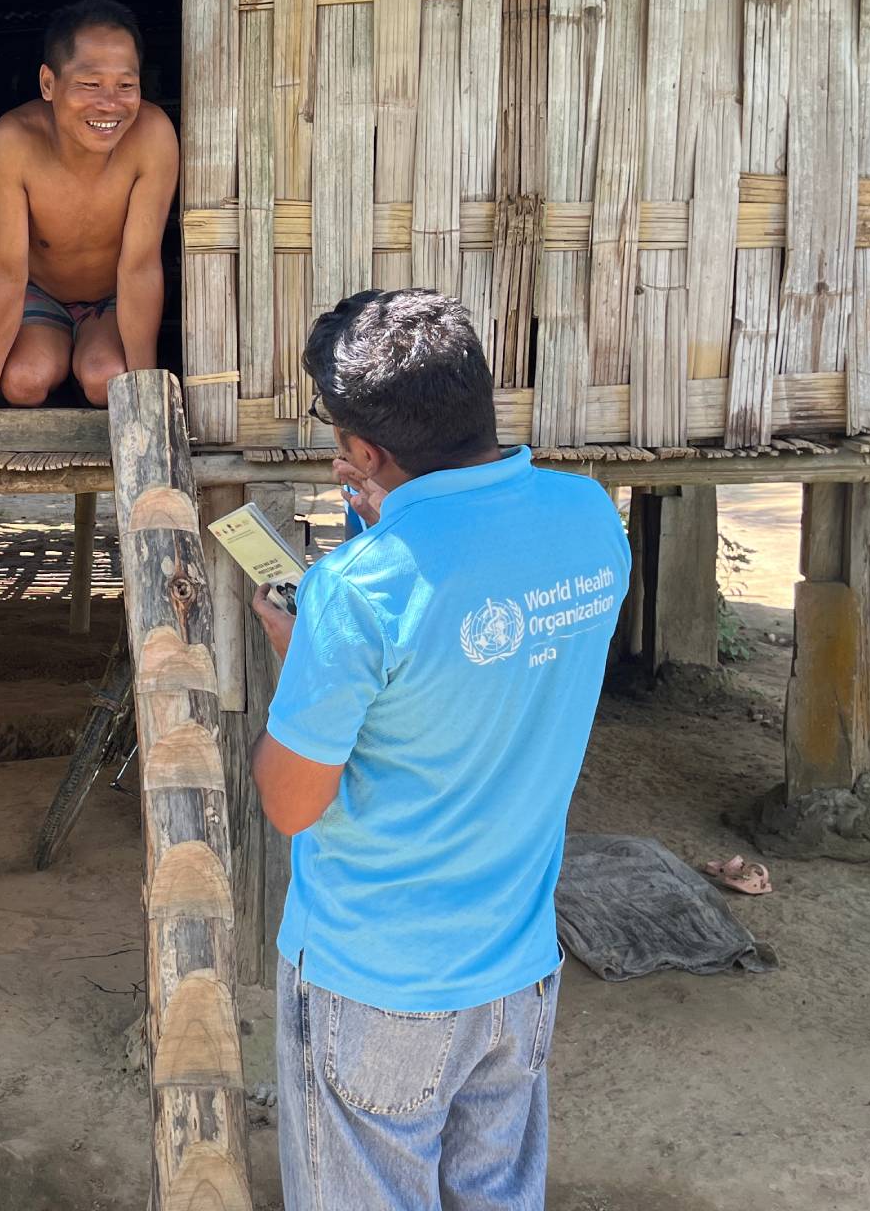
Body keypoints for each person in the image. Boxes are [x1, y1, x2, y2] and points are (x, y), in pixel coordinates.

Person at [249, 289, 630, 1211]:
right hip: (517, 973)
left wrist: (299, 658)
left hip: (375, 981)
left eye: (340, 443)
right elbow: (481, 668)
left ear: (368, 453)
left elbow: (292, 802)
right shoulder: (591, 523)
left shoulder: (355, 593)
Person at [0, 0, 177, 424]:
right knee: (22, 383)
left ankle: (92, 360)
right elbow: (7, 269)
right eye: (89, 83)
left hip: (111, 300)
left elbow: (139, 266)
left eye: (126, 85)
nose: (110, 104)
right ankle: (55, 353)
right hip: (40, 295)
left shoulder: (153, 136)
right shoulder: (12, 142)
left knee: (108, 381)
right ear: (48, 84)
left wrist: (144, 393)